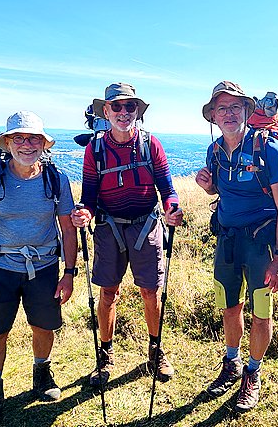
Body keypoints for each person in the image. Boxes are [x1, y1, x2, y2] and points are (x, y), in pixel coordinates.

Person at [0, 111, 77, 427]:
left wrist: (69, 273)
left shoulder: (56, 180)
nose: (27, 145)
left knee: (44, 326)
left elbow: (68, 229)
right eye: (19, 138)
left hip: (45, 267)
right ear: (8, 143)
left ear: (43, 144)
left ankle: (42, 374)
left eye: (34, 138)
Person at [71, 82, 183, 387]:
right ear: (105, 112)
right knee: (108, 293)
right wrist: (84, 213)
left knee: (151, 291)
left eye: (129, 106)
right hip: (109, 227)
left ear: (137, 111)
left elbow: (167, 189)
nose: (123, 112)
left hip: (146, 226)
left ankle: (156, 351)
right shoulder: (95, 150)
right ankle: (105, 354)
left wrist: (172, 209)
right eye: (116, 107)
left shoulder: (151, 144)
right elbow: (89, 196)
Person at [195, 81, 278, 412]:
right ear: (213, 116)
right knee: (229, 305)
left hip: (261, 243)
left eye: (235, 107)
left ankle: (253, 372)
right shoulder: (214, 151)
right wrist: (209, 188)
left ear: (247, 111)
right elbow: (221, 192)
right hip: (227, 240)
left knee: (261, 311)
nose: (229, 113)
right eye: (221, 108)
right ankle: (232, 361)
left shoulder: (268, 148)